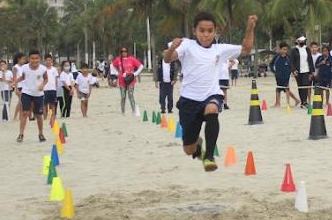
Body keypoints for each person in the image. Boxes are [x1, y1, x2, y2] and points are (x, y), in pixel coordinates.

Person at [164, 12, 257, 171]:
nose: (206, 35)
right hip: (188, 101)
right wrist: (173, 46)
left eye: (210, 31)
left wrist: (249, 28)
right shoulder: (187, 45)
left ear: (215, 32)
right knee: (189, 149)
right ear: (194, 31)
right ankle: (198, 148)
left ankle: (209, 156)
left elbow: (246, 49)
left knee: (212, 108)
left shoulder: (220, 49)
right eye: (202, 30)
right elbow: (167, 59)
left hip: (211, 95)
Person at [13, 50, 47, 142]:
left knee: (39, 115)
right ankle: (21, 134)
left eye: (36, 58)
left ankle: (40, 134)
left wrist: (42, 85)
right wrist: (15, 82)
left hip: (38, 94)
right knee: (25, 113)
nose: (34, 60)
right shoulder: (25, 67)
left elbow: (46, 79)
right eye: (32, 58)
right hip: (26, 92)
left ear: (39, 59)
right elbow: (23, 77)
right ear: (29, 59)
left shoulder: (43, 69)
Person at [111, 47, 143, 114]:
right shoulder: (118, 59)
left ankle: (134, 111)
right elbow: (112, 66)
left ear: (127, 52)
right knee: (123, 96)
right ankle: (123, 112)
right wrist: (117, 73)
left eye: (125, 51)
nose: (124, 53)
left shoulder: (132, 59)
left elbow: (141, 66)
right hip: (122, 81)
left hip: (131, 80)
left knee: (130, 95)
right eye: (122, 51)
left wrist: (135, 74)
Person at [272, 43, 299, 107]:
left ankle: (288, 103)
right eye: (283, 49)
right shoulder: (276, 56)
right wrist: (274, 72)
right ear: (280, 49)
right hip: (278, 76)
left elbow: (292, 65)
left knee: (286, 89)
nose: (285, 51)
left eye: (286, 49)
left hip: (286, 76)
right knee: (278, 89)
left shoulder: (288, 57)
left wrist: (291, 72)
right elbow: (271, 64)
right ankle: (277, 103)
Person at [290, 36, 314, 108]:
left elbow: (310, 60)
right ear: (298, 41)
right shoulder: (294, 50)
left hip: (306, 70)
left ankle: (305, 102)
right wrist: (293, 70)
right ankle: (302, 102)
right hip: (298, 71)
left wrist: (312, 71)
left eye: (303, 41)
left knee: (305, 85)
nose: (302, 43)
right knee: (300, 86)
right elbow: (291, 61)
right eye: (301, 41)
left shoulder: (307, 49)